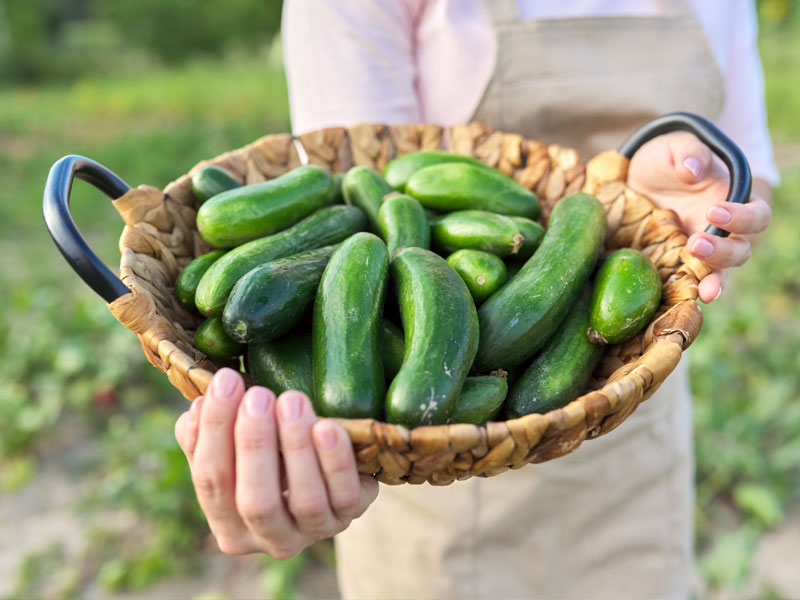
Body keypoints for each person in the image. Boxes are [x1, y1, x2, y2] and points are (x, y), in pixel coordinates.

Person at [175, 1, 776, 597]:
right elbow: (362, 178)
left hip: (628, 424)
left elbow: (748, 166)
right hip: (433, 469)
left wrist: (676, 206)